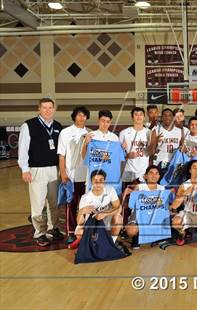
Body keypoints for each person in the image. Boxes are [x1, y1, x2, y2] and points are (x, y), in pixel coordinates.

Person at [18, 98, 64, 246]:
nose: (48, 110)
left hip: (54, 169)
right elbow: (23, 149)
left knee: (54, 203)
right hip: (36, 169)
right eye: (44, 108)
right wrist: (25, 169)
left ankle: (53, 228)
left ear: (54, 109)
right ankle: (39, 233)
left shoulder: (58, 126)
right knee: (38, 204)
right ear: (39, 109)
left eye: (50, 108)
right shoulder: (29, 125)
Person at [70, 170, 129, 255]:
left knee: (118, 218)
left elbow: (118, 208)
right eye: (95, 180)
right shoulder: (85, 198)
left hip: (105, 220)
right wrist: (81, 212)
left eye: (101, 180)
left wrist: (105, 214)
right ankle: (90, 244)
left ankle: (111, 243)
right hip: (92, 223)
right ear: (91, 182)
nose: (98, 183)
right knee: (79, 232)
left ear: (104, 181)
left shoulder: (110, 190)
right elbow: (80, 222)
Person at [57, 106, 90, 244]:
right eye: (79, 115)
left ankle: (83, 230)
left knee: (85, 206)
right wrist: (63, 173)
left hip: (86, 177)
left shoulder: (89, 133)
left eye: (84, 115)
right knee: (71, 204)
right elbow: (61, 155)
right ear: (74, 116)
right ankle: (71, 232)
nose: (82, 118)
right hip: (71, 175)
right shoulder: (65, 132)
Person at [169, 160, 197, 246]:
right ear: (190, 170)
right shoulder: (184, 185)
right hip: (188, 212)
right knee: (175, 222)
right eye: (194, 168)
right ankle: (182, 232)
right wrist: (185, 193)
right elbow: (174, 206)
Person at [124, 165, 166, 249]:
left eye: (156, 173)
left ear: (159, 176)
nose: (154, 175)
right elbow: (131, 204)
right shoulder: (140, 187)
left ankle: (156, 235)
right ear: (145, 176)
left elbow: (162, 205)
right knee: (131, 230)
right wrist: (127, 194)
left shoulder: (162, 188)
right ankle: (136, 237)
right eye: (151, 173)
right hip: (139, 216)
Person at [119, 107, 151, 184]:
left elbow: (152, 153)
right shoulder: (124, 133)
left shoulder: (149, 133)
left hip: (144, 172)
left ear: (144, 117)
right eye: (136, 115)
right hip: (129, 171)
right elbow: (118, 154)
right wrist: (127, 155)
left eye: (141, 114)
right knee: (128, 195)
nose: (139, 117)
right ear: (132, 117)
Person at [149, 108, 183, 176]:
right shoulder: (156, 130)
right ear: (162, 118)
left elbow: (183, 149)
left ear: (173, 117)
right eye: (165, 115)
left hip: (175, 162)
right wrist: (155, 141)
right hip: (160, 162)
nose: (167, 117)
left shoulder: (180, 131)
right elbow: (151, 152)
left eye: (170, 115)